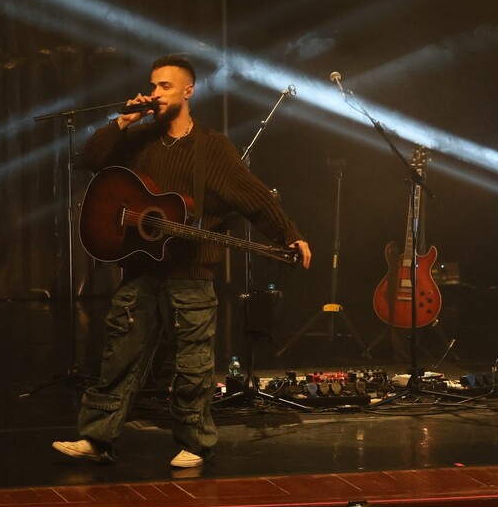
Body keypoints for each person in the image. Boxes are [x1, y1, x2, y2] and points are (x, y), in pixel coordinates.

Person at [51, 55, 312, 469]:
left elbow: (255, 197)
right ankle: (97, 439)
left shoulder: (211, 147)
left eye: (165, 86)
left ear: (188, 91)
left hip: (191, 273)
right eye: (153, 85)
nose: (155, 93)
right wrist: (123, 121)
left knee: (192, 364)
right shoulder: (140, 140)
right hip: (140, 268)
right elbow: (88, 158)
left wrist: (289, 234)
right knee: (119, 356)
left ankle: (195, 443)